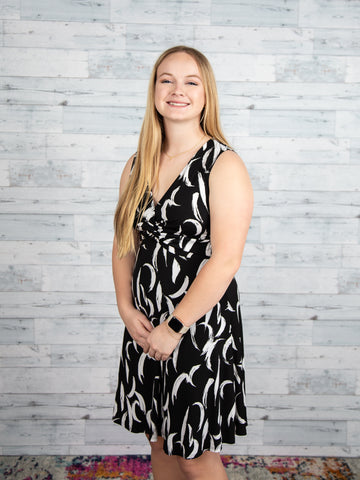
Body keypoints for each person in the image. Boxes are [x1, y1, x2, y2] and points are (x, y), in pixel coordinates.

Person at [112, 45, 253, 480]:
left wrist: (174, 328)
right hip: (144, 321)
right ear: (154, 90)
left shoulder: (223, 164)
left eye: (191, 81)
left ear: (206, 94)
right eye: (166, 80)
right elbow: (124, 244)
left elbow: (226, 260)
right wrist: (125, 307)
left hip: (196, 326)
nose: (177, 90)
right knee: (157, 437)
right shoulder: (137, 164)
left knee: (192, 451)